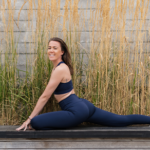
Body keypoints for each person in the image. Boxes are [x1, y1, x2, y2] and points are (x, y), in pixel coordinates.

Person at [16, 37, 150, 131]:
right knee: (121, 121)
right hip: (83, 105)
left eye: (55, 48)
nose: (51, 50)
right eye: (49, 47)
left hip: (76, 111)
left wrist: (29, 118)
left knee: (36, 122)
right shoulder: (60, 67)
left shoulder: (60, 69)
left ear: (62, 52)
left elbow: (45, 97)